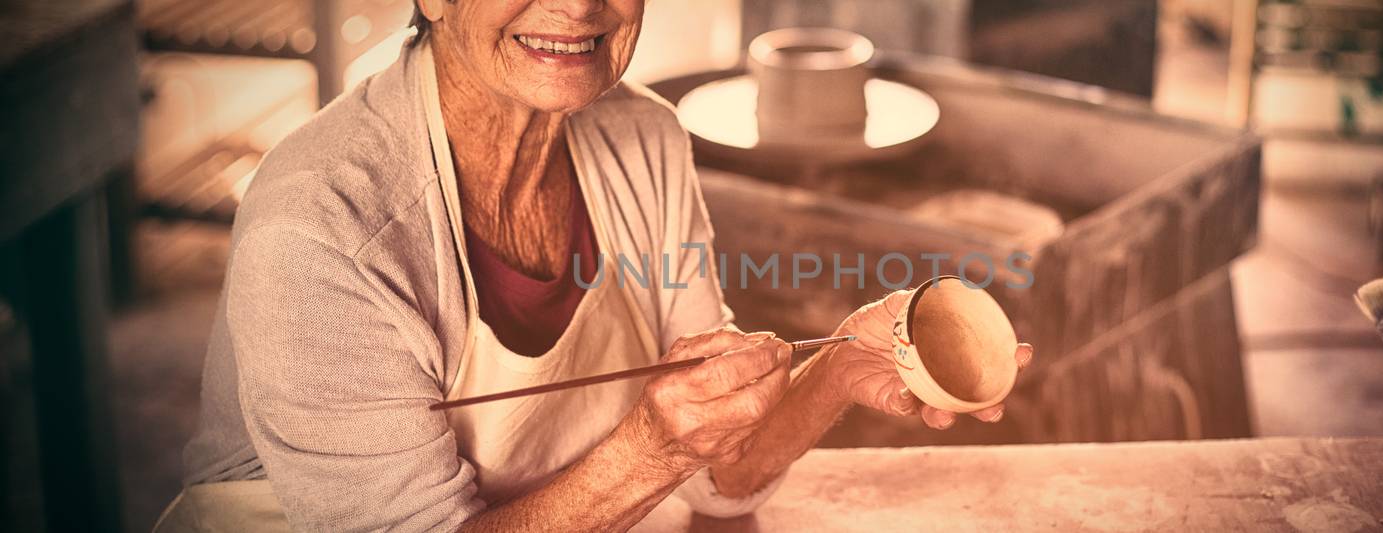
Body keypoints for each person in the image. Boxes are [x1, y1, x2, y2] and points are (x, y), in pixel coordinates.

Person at [156, 1, 1031, 530]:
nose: (575, 8)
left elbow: (718, 478)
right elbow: (665, 461)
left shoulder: (642, 136)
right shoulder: (323, 228)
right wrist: (650, 450)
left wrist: (840, 364)